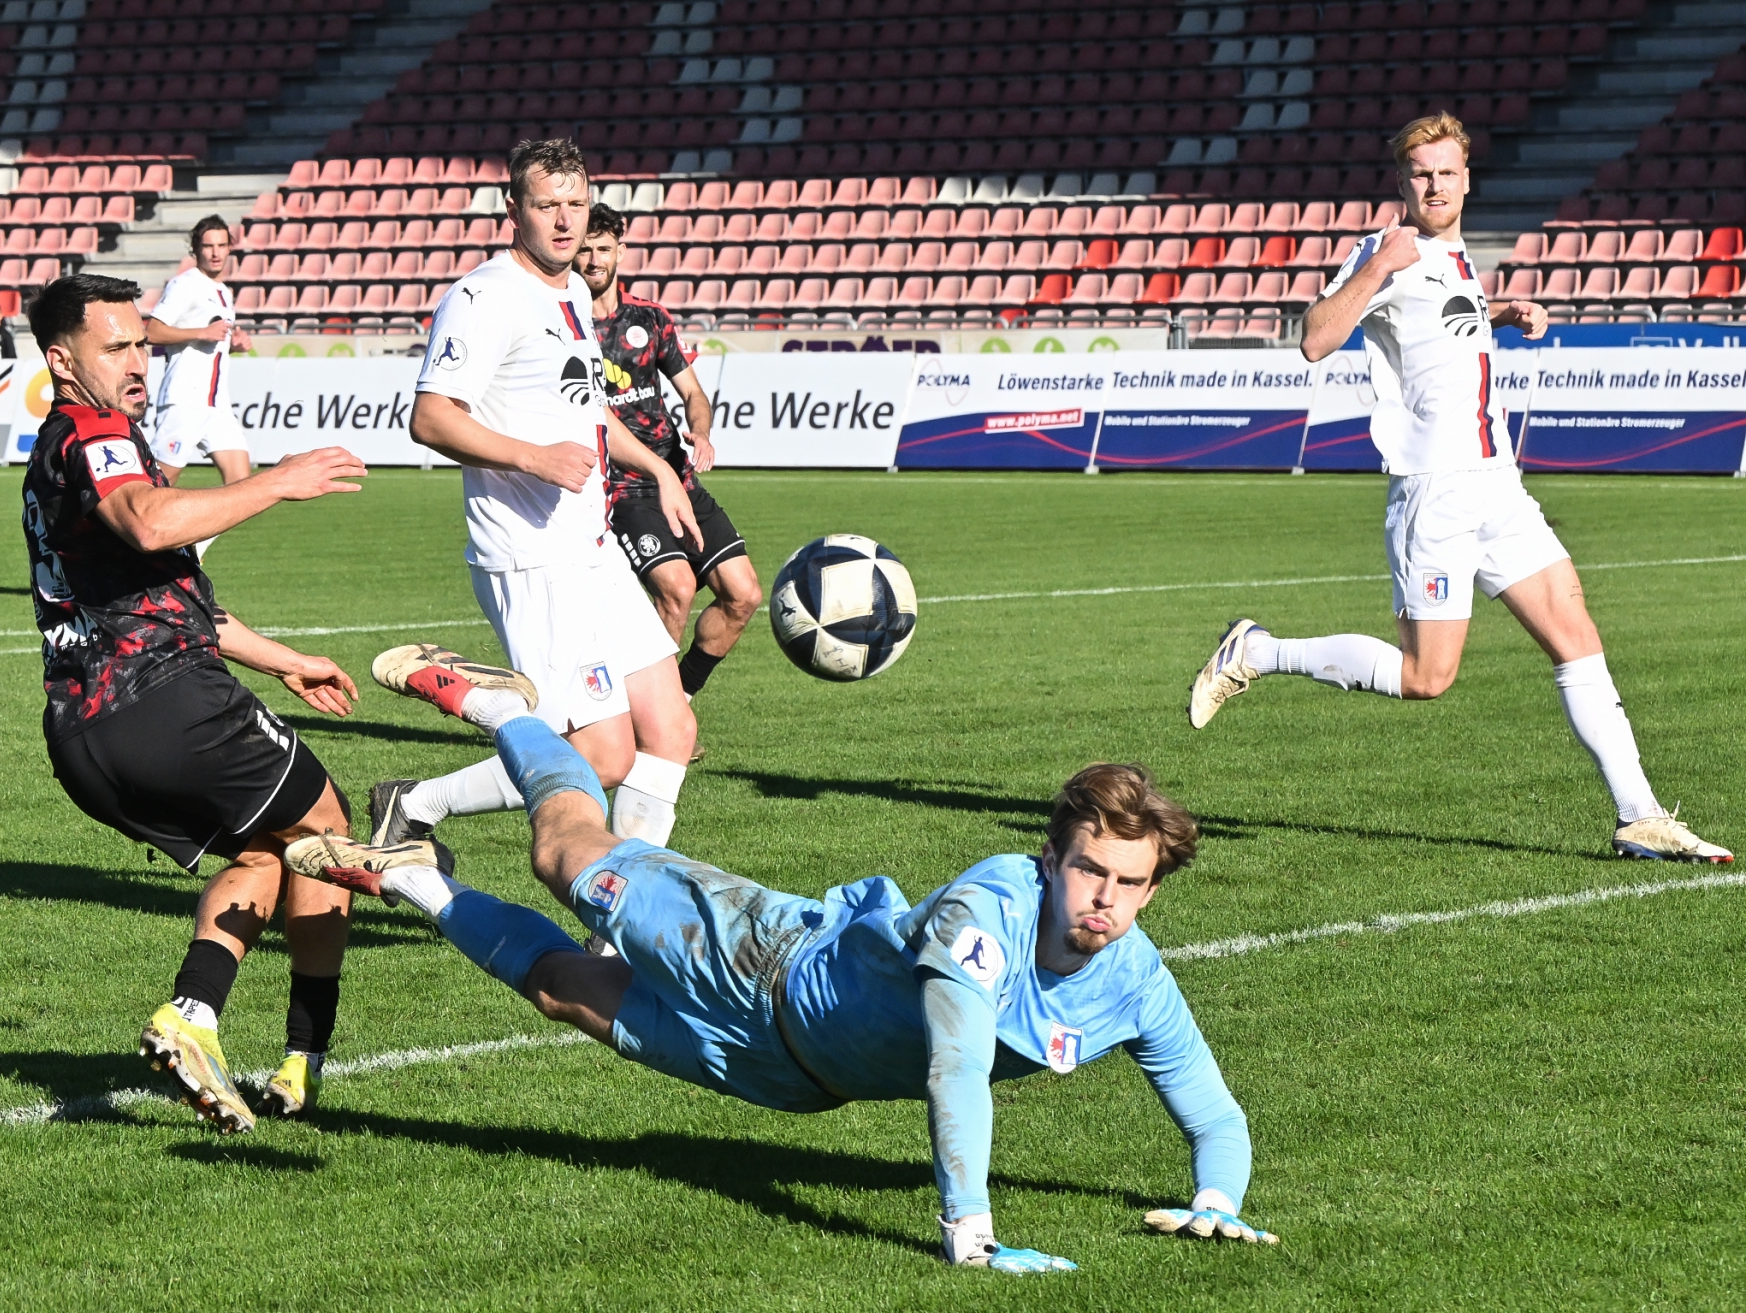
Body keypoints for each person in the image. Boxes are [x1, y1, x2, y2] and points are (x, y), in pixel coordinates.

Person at [289, 650, 1278, 1271]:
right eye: (1089, 868)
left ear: (1154, 887)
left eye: (1130, 881)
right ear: (1050, 857)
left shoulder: (1137, 977)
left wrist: (1215, 1201)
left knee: (563, 990)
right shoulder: (993, 900)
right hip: (759, 957)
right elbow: (955, 1064)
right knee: (564, 856)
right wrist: (968, 1233)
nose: (1105, 896)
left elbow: (1212, 1106)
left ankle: (416, 876)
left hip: (789, 1073)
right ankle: (505, 710)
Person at [1188, 112, 1730, 864]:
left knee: (1575, 633)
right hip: (1435, 490)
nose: (1434, 184)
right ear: (1402, 182)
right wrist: (1377, 268)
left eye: (1446, 172)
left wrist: (1499, 312)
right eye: (1420, 173)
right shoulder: (1387, 249)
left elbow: (1439, 329)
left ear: (1467, 178)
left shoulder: (1453, 253)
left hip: (1497, 484)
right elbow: (1314, 338)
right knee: (1426, 676)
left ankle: (1639, 814)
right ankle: (1258, 650)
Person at [21, 272, 372, 1133]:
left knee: (264, 854)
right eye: (119, 346)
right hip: (162, 701)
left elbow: (175, 594)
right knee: (326, 828)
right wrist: (278, 482)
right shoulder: (96, 432)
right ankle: (304, 1059)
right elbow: (149, 522)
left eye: (144, 341)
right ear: (64, 362)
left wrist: (288, 660)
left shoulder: (67, 446)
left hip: (83, 733)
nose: (141, 360)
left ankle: (194, 1017)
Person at [368, 139, 702, 859]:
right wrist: (532, 456)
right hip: (531, 557)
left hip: (593, 547)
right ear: (512, 207)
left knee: (672, 730)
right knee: (601, 756)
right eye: (547, 205)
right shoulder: (484, 297)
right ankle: (413, 804)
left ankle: (621, 927)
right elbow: (430, 417)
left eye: (576, 204)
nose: (565, 221)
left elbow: (589, 409)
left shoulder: (575, 290)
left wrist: (660, 469)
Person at [574, 202, 762, 732]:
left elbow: (693, 393)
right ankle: (650, 723)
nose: (592, 259)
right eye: (585, 249)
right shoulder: (565, 329)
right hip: (622, 487)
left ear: (620, 251)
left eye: (602, 249)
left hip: (677, 476)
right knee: (676, 589)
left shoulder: (651, 319)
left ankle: (677, 700)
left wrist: (699, 430)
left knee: (743, 594)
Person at [145, 215, 253, 564]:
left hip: (216, 404)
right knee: (159, 487)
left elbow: (212, 340)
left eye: (222, 245)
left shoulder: (223, 291)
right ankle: (119, 555)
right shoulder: (185, 284)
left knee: (242, 484)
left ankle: (191, 551)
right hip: (185, 399)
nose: (216, 253)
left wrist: (232, 343)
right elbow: (152, 332)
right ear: (196, 250)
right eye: (208, 246)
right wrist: (200, 333)